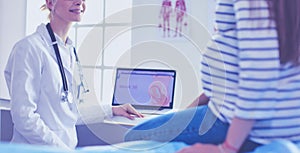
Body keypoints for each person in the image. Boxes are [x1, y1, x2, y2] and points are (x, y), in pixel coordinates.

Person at [125, 0, 300, 153]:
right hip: (265, 115)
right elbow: (231, 80)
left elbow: (259, 73)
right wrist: (186, 112)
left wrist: (227, 148)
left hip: (245, 123)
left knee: (136, 137)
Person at [4, 0, 143, 150]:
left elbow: (69, 111)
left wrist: (111, 110)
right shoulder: (29, 49)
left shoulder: (69, 50)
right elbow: (24, 117)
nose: (79, 2)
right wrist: (63, 150)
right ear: (50, 3)